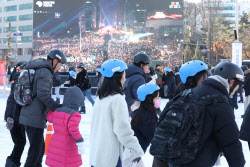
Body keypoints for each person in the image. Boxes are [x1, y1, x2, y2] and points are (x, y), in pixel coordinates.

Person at [152, 60, 208, 166]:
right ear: (192, 81)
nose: (206, 82)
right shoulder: (191, 101)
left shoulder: (177, 97)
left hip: (164, 157)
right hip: (178, 158)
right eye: (203, 79)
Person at [90, 59, 144, 167]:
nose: (125, 78)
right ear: (117, 76)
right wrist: (136, 149)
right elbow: (123, 130)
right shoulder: (117, 99)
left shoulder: (100, 98)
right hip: (110, 158)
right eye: (124, 74)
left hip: (97, 156)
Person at [19, 49, 67, 167]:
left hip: (31, 114)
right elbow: (43, 94)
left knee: (39, 149)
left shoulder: (41, 69)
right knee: (36, 151)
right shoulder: (45, 72)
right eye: (60, 65)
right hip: (33, 116)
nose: (59, 68)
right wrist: (56, 107)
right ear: (54, 61)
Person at [45, 87, 84, 167]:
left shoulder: (57, 110)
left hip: (55, 142)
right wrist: (80, 141)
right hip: (67, 144)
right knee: (67, 163)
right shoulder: (74, 114)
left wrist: (53, 108)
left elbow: (49, 118)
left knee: (56, 162)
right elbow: (73, 129)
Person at [4, 62, 26, 167]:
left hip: (19, 116)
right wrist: (10, 117)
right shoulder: (19, 81)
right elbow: (11, 100)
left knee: (20, 142)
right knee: (20, 142)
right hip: (15, 116)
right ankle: (12, 163)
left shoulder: (21, 80)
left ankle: (13, 162)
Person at [131, 83, 160, 153]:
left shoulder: (142, 111)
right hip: (133, 154)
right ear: (149, 99)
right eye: (156, 98)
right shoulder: (147, 116)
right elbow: (154, 137)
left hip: (135, 152)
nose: (158, 100)